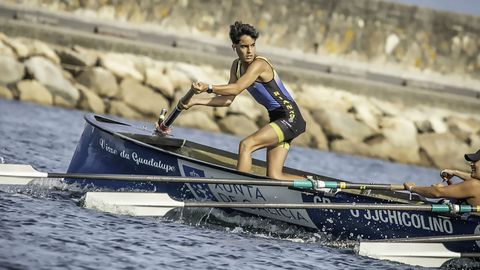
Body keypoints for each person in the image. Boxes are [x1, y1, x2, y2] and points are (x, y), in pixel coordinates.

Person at [180, 21, 306, 180]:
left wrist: (208, 86)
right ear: (234, 47)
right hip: (277, 119)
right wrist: (195, 101)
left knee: (246, 145)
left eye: (252, 45)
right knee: (274, 175)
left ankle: (240, 187)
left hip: (290, 117)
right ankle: (314, 186)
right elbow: (227, 100)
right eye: (244, 46)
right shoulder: (236, 66)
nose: (249, 51)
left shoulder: (259, 64)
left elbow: (237, 88)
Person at [404, 149, 480, 206]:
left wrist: (412, 188)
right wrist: (455, 173)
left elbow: (437, 192)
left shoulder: (474, 185)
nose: (471, 164)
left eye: (475, 161)